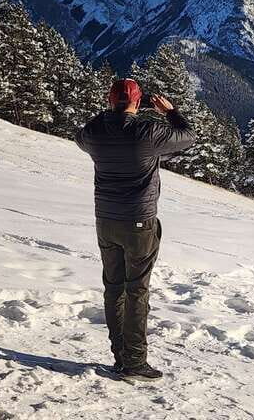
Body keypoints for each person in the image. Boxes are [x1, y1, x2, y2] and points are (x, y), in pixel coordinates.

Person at [75, 78, 196, 381]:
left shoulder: (96, 133)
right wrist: (171, 111)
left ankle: (119, 356)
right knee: (136, 290)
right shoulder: (147, 131)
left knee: (113, 288)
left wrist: (107, 116)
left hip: (106, 219)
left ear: (108, 99)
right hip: (139, 222)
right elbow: (188, 136)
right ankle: (135, 361)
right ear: (138, 102)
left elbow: (79, 136)